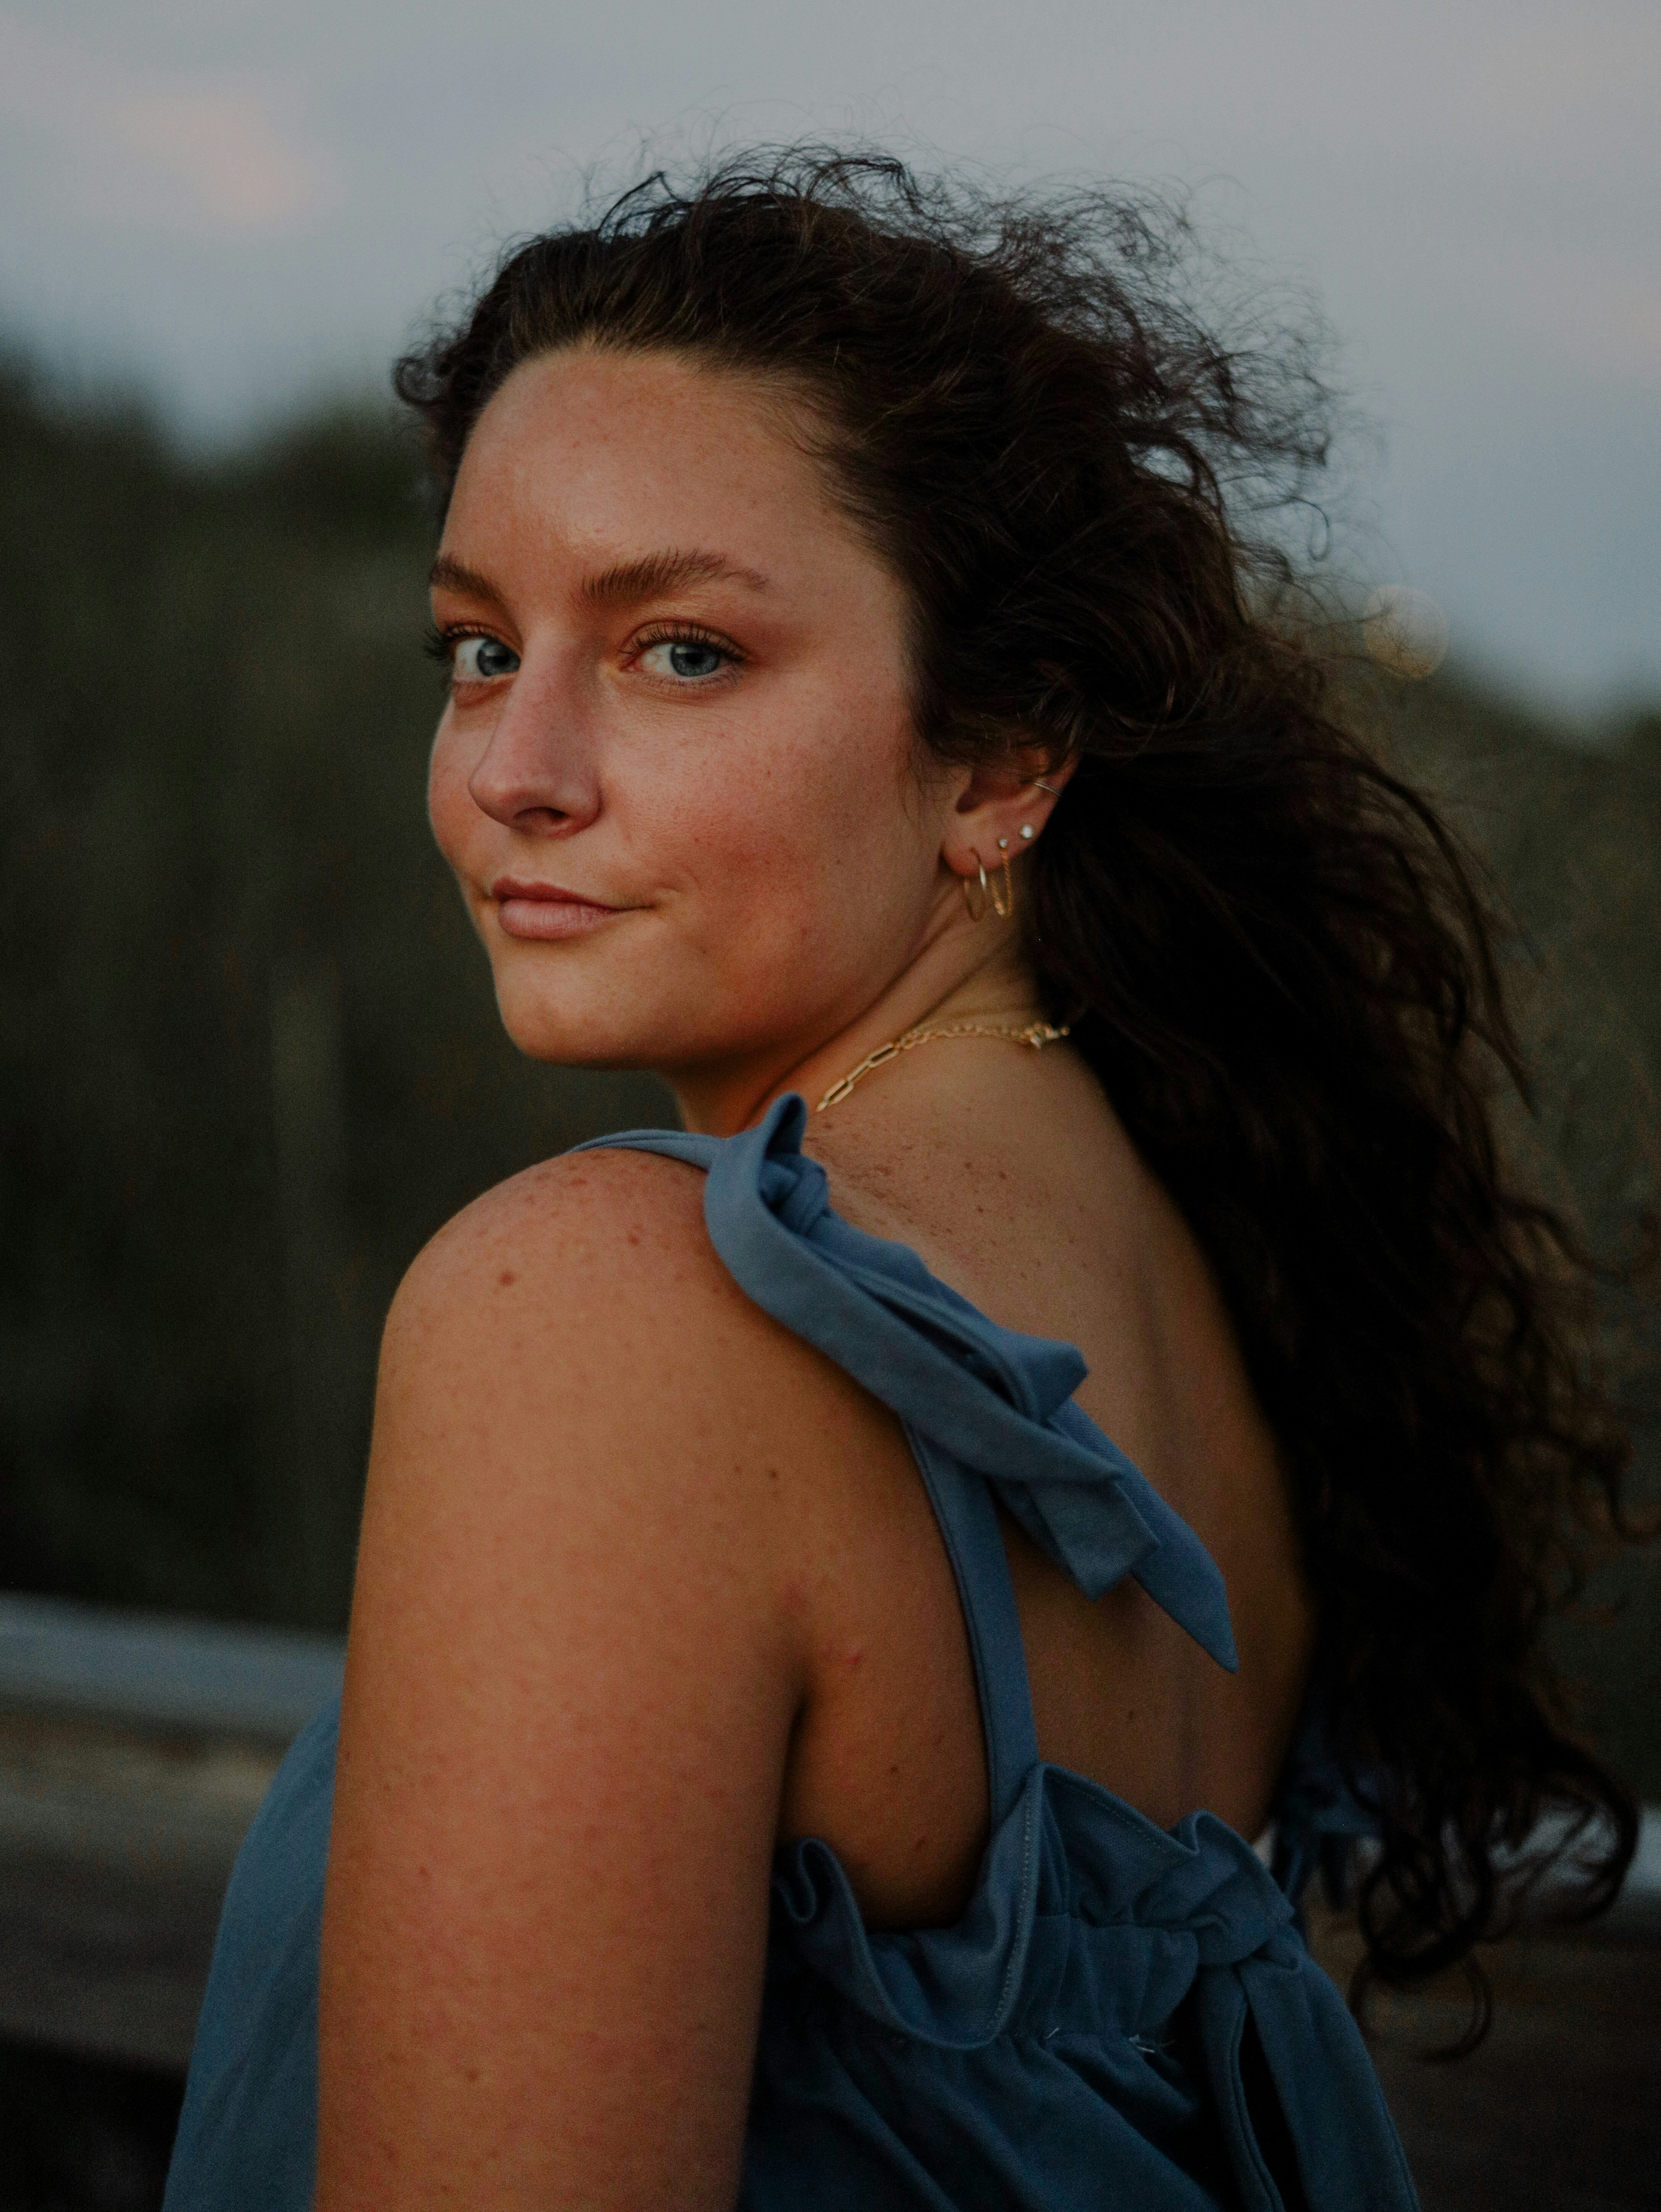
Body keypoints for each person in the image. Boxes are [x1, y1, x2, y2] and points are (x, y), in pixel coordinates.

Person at [165, 153, 1639, 2211]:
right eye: (478, 647)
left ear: (1000, 758)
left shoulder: (608, 1314)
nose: (516, 768)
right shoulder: (1212, 1292)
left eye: (682, 652)